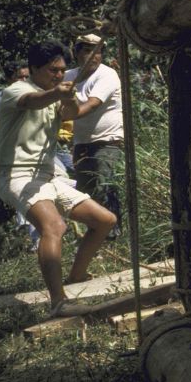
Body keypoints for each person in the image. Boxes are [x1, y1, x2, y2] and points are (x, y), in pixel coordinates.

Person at [0, 41, 116, 316]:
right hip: (16, 175)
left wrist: (67, 97)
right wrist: (58, 92)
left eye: (61, 70)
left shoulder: (57, 93)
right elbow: (31, 102)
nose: (59, 75)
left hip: (48, 175)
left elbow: (72, 114)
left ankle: (77, 277)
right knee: (55, 227)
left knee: (105, 220)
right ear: (35, 68)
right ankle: (58, 302)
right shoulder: (17, 90)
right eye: (52, 70)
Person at [64, 34, 124, 239]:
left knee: (104, 187)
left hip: (107, 141)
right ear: (77, 53)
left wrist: (63, 115)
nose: (93, 56)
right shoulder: (69, 76)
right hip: (82, 142)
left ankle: (113, 235)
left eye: (98, 51)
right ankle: (95, 237)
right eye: (87, 51)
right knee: (86, 192)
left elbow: (91, 105)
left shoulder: (107, 75)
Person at [0, 62, 36, 249]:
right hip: (13, 151)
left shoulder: (35, 91)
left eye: (26, 76)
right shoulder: (4, 96)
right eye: (19, 77)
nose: (24, 80)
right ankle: (26, 230)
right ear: (10, 79)